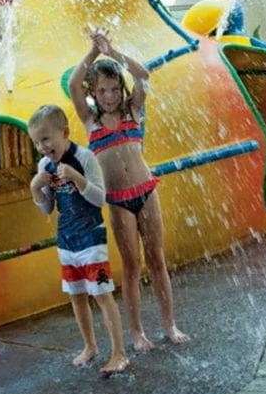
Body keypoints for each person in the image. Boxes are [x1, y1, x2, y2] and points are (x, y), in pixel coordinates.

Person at [68, 28, 189, 352]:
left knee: (157, 260)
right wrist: (93, 53)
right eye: (103, 90)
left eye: (114, 88)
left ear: (121, 89)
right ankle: (136, 332)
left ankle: (170, 325)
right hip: (119, 202)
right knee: (133, 266)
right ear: (93, 92)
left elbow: (143, 74)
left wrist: (113, 51)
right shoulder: (90, 121)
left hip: (146, 191)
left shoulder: (132, 111)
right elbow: (71, 86)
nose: (110, 96)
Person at [28, 104, 129, 374]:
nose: (42, 147)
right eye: (37, 142)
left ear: (65, 132)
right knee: (76, 296)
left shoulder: (85, 158)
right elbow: (47, 208)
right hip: (67, 244)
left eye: (46, 139)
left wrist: (75, 177)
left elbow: (100, 198)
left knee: (102, 295)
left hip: (91, 244)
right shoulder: (44, 165)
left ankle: (119, 353)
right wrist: (35, 189)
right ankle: (90, 346)